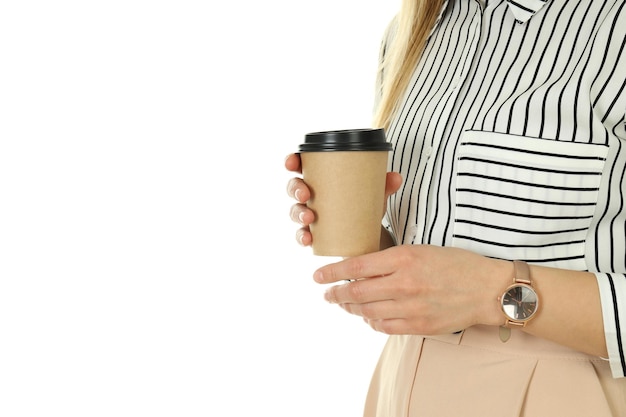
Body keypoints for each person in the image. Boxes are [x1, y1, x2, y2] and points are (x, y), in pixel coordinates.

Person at [286, 0, 626, 416]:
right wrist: (369, 238)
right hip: (400, 386)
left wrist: (494, 293)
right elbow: (430, 255)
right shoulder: (410, 31)